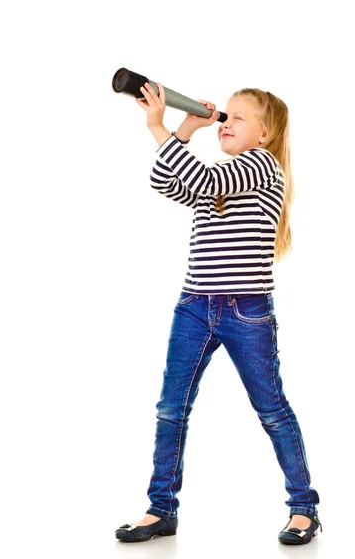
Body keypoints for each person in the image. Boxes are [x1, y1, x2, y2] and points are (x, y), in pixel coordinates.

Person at [115, 82, 322, 544]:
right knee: (172, 408)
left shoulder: (261, 167)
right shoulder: (225, 183)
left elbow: (204, 179)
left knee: (271, 409)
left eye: (237, 117)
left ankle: (304, 506)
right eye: (223, 116)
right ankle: (160, 507)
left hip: (245, 311)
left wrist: (158, 126)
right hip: (193, 306)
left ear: (265, 135)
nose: (225, 123)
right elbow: (165, 182)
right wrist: (185, 127)